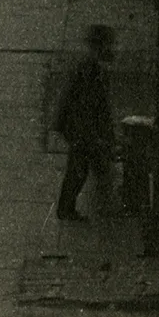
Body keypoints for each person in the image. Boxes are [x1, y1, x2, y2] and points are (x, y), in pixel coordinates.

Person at [53, 25, 116, 221]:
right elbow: (90, 103)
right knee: (80, 169)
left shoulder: (88, 66)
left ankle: (73, 207)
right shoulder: (90, 69)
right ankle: (67, 209)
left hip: (80, 126)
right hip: (81, 127)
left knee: (83, 168)